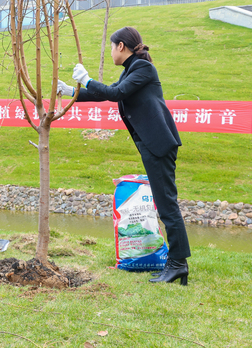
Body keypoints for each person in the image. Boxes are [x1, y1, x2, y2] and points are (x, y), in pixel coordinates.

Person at [57, 26, 191, 286]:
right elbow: (105, 94)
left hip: (158, 144)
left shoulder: (143, 69)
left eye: (111, 46)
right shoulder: (131, 70)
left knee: (167, 205)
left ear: (121, 46)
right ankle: (176, 263)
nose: (110, 52)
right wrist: (71, 91)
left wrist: (86, 79)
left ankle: (177, 264)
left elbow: (115, 94)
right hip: (150, 144)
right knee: (165, 203)